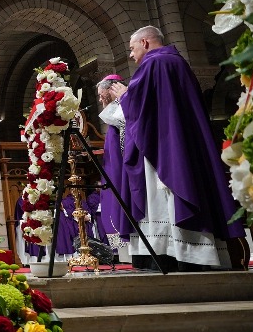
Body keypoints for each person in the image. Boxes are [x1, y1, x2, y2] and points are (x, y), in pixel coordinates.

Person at [111, 25, 244, 270]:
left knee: (164, 195)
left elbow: (140, 108)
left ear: (146, 42)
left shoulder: (153, 65)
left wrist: (123, 95)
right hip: (182, 141)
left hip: (163, 145)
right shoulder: (177, 62)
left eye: (132, 48)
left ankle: (173, 254)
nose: (131, 55)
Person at [97, 74, 132, 243]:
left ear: (111, 89)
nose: (99, 98)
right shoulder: (115, 107)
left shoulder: (123, 104)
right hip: (113, 162)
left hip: (121, 162)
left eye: (100, 93)